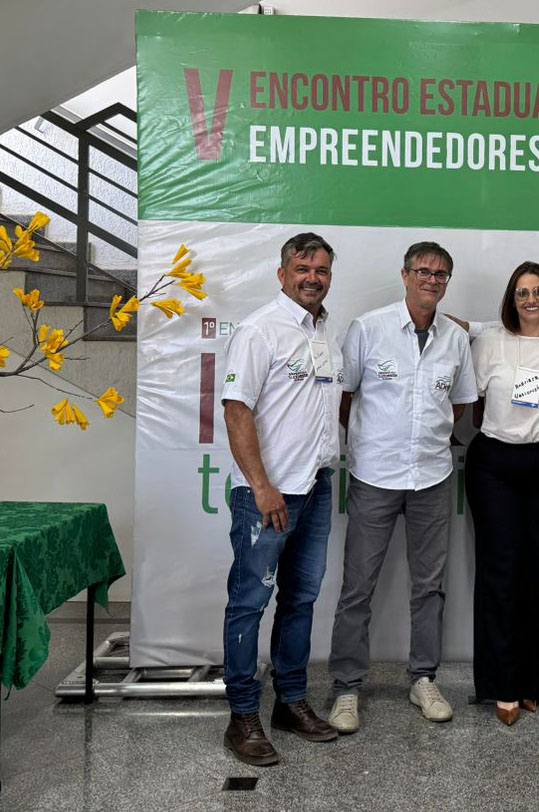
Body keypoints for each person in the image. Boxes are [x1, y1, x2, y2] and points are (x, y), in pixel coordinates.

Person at [327, 241, 477, 734]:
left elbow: (458, 404)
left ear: (447, 282)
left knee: (429, 587)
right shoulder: (368, 328)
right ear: (405, 275)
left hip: (432, 476)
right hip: (374, 476)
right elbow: (345, 397)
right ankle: (347, 687)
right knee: (357, 587)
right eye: (423, 271)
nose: (431, 280)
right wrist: (371, 440)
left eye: (441, 274)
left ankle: (423, 679)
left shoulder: (455, 338)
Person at [220, 233, 343, 766]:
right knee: (249, 603)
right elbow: (236, 410)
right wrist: (263, 486)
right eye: (302, 267)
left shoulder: (325, 330)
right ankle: (242, 716)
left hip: (315, 487)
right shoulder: (259, 330)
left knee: (300, 600)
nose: (312, 277)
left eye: (321, 269)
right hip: (267, 494)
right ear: (282, 273)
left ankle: (290, 702)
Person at [465, 261, 539, 726]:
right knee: (500, 574)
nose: (531, 300)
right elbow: (472, 400)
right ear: (511, 300)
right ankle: (502, 685)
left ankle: (532, 682)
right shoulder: (491, 343)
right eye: (522, 293)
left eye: (538, 292)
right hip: (497, 466)